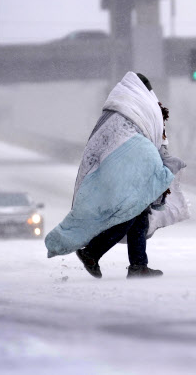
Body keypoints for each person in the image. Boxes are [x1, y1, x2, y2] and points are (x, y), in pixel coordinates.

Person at [45, 72, 186, 279]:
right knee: (129, 214)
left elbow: (101, 142)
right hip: (127, 167)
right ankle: (92, 252)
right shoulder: (143, 107)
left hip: (113, 167)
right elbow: (153, 137)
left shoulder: (116, 109)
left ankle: (138, 265)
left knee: (138, 215)